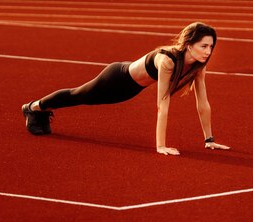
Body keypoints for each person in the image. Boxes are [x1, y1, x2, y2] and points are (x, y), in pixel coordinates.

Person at [21, 22, 230, 156]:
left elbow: (202, 103)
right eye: (204, 46)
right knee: (79, 95)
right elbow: (162, 104)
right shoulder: (168, 60)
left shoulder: (198, 66)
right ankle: (34, 107)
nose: (208, 51)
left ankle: (39, 109)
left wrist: (209, 139)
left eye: (211, 47)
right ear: (189, 44)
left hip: (130, 90)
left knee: (84, 98)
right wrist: (160, 146)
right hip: (116, 78)